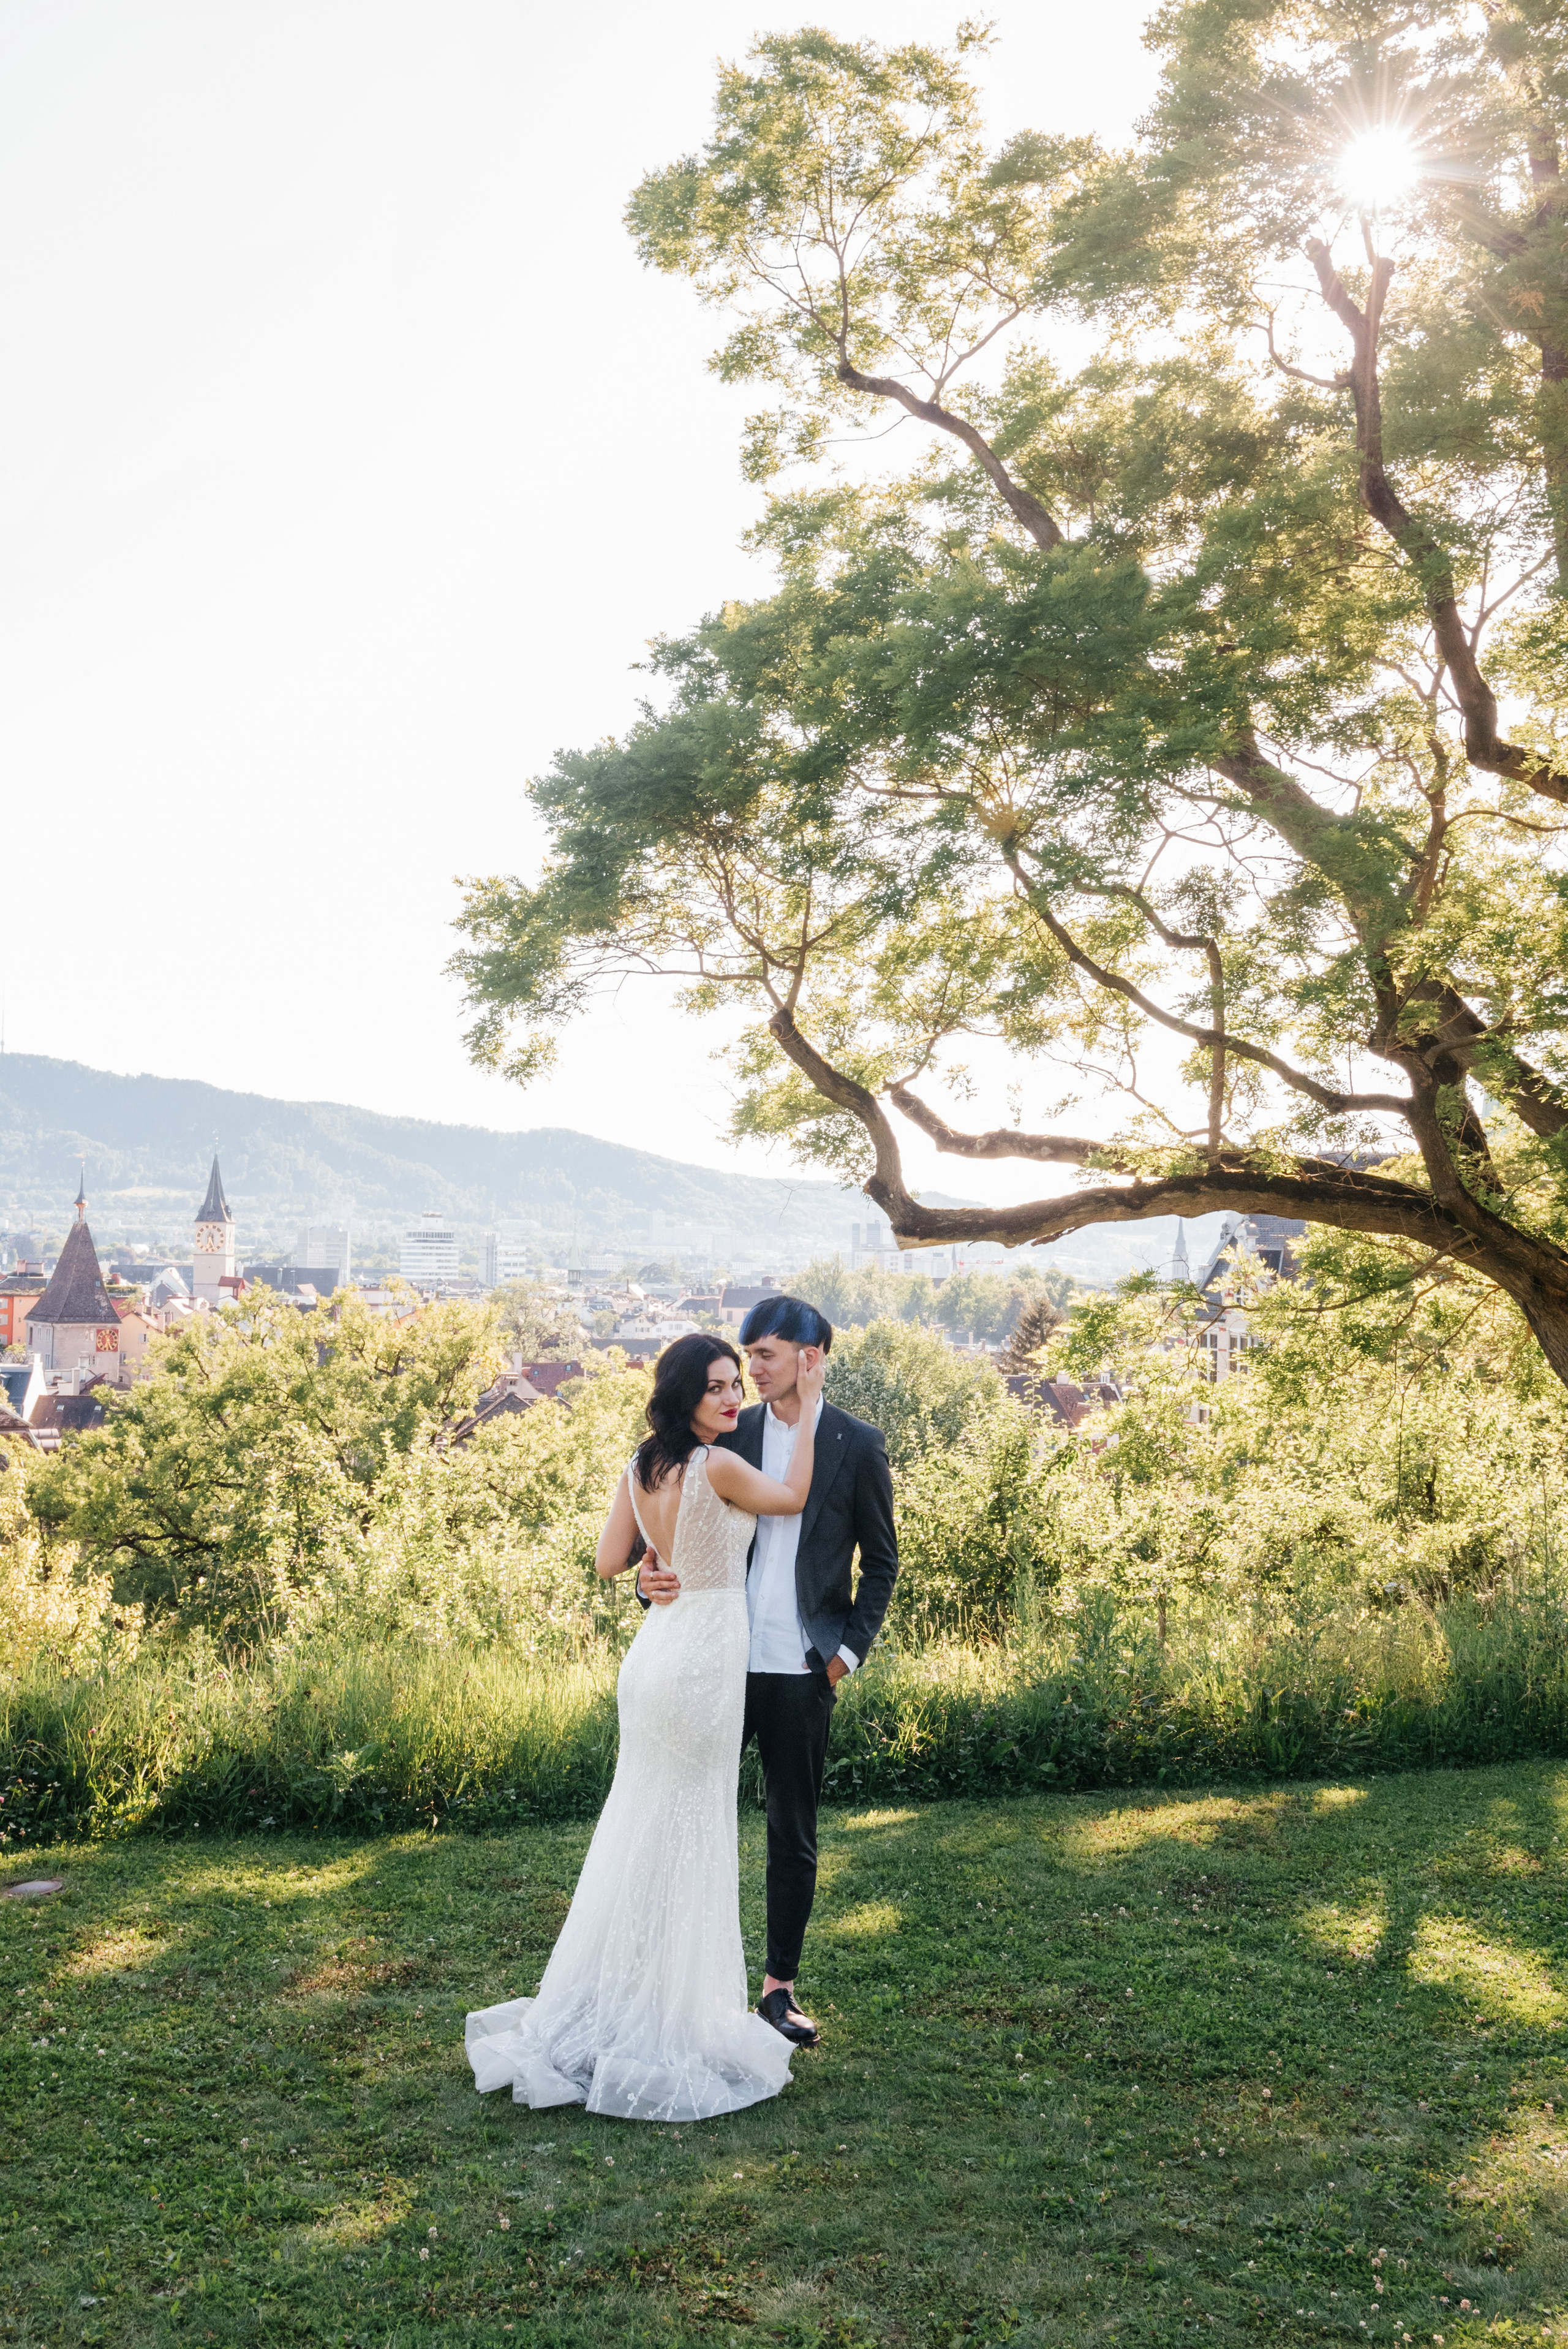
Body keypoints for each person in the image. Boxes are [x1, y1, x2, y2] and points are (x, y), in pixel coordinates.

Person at [464, 1331, 826, 2123]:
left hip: (657, 1654)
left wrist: (651, 1570)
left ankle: (631, 1995)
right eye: (720, 1389)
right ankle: (664, 2016)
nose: (734, 1398)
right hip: (699, 1664)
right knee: (685, 1828)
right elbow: (794, 1496)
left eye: (739, 1384)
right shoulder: (717, 1464)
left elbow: (608, 1559)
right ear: (687, 1396)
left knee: (647, 1824)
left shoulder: (643, 1461)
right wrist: (807, 1402)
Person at [638, 1295, 899, 2050]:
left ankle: (778, 1992)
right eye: (747, 1356)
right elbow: (669, 1534)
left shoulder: (857, 1443)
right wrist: (646, 1580)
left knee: (792, 1832)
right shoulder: (728, 1430)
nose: (750, 1371)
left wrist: (846, 1654)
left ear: (811, 1359)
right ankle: (680, 1980)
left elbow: (881, 1562)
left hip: (802, 1669)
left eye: (767, 1356)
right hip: (714, 1661)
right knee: (691, 1814)